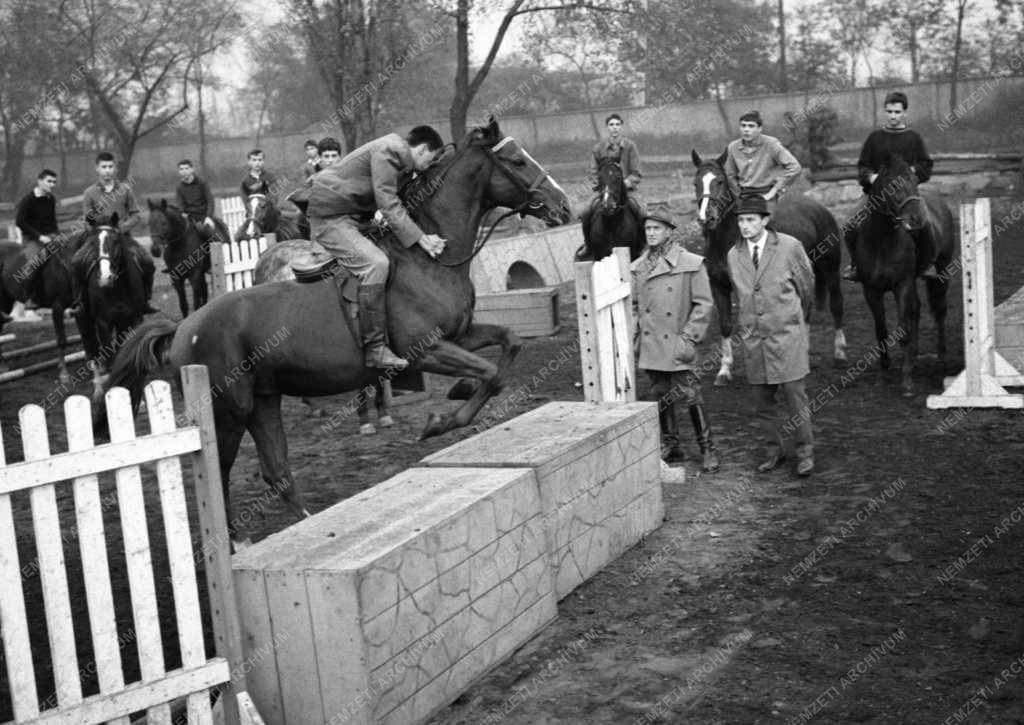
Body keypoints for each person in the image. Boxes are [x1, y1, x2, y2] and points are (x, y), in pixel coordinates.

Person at [303, 125, 447, 370]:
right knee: (376, 264)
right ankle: (375, 349)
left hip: (352, 215)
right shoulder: (389, 151)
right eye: (431, 159)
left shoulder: (400, 158)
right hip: (330, 218)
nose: (428, 165)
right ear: (422, 149)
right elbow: (388, 203)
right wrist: (422, 238)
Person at [727, 195, 815, 477]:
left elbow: (807, 288)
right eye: (741, 220)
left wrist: (794, 322)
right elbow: (741, 296)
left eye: (751, 220)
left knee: (794, 399)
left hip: (787, 338)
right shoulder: (733, 255)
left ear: (765, 220)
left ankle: (805, 453)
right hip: (754, 342)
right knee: (762, 403)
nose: (745, 226)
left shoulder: (789, 247)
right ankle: (773, 451)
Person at [631, 205, 719, 472]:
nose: (651, 233)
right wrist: (636, 336)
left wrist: (688, 339)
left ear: (670, 232)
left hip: (678, 343)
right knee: (660, 394)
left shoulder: (691, 263)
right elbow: (634, 306)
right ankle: (672, 444)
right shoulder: (638, 267)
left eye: (657, 228)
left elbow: (703, 305)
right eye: (647, 228)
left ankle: (707, 448)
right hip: (650, 343)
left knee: (691, 394)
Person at [842, 91, 937, 281]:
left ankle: (927, 265)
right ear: (885, 112)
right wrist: (871, 177)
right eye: (889, 112)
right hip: (876, 197)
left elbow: (925, 165)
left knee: (925, 223)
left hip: (906, 196)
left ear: (905, 113)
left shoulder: (913, 138)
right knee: (850, 224)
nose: (893, 116)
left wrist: (912, 173)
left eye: (897, 112)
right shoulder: (875, 138)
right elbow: (863, 166)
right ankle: (856, 266)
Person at [71, 152, 157, 315]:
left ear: (115, 169)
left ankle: (145, 300)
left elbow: (136, 214)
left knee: (147, 261)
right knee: (76, 262)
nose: (107, 170)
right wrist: (98, 231)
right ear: (97, 169)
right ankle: (80, 302)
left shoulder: (125, 190)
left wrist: (121, 229)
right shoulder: (90, 193)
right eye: (104, 167)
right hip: (98, 240)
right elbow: (87, 219)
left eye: (110, 167)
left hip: (123, 239)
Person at [723, 110, 802, 213]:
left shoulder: (771, 144)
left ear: (760, 128)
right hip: (743, 195)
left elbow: (795, 167)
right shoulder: (732, 147)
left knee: (768, 223)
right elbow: (729, 174)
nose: (746, 130)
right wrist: (738, 193)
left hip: (766, 194)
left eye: (751, 126)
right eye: (743, 126)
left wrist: (775, 190)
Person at [580, 113, 644, 231]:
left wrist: (624, 183)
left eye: (617, 124)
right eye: (611, 125)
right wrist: (601, 186)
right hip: (606, 192)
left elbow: (637, 172)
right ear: (607, 128)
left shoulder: (630, 147)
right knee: (586, 214)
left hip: (626, 193)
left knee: (641, 214)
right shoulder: (598, 148)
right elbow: (593, 172)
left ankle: (644, 245)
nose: (614, 127)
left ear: (621, 127)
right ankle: (588, 246)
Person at [14, 169, 61, 311]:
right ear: (39, 181)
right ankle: (27, 300)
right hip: (32, 238)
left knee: (68, 256)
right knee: (33, 264)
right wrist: (39, 236)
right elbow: (20, 222)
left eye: (54, 182)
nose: (52, 185)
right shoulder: (28, 200)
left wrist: (57, 235)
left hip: (50, 235)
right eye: (49, 181)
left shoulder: (50, 199)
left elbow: (52, 221)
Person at [173, 159, 219, 242]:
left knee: (210, 236)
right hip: (189, 218)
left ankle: (215, 253)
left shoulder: (202, 183)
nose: (184, 171)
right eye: (181, 169)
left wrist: (208, 217)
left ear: (192, 169)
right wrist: (182, 212)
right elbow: (180, 203)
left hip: (203, 217)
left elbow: (210, 201)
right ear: (179, 172)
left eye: (186, 168)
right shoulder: (179, 187)